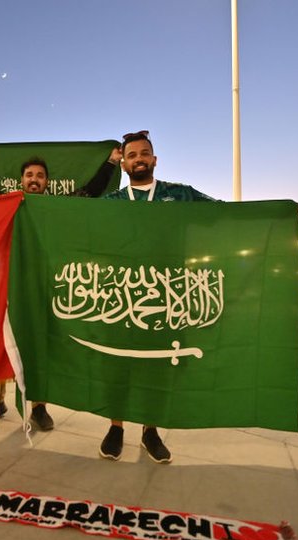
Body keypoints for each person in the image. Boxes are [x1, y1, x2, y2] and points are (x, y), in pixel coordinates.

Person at [0, 147, 123, 431]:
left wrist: (111, 162)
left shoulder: (57, 208)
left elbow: (90, 192)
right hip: (8, 284)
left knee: (39, 345)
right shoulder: (8, 203)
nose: (34, 179)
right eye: (29, 175)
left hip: (46, 287)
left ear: (47, 182)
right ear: (21, 180)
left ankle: (38, 407)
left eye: (39, 175)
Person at [99, 130, 217, 464]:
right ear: (123, 164)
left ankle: (150, 432)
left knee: (155, 366)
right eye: (132, 155)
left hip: (166, 298)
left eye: (144, 153)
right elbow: (79, 227)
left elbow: (223, 213)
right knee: (118, 364)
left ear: (155, 159)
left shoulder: (179, 195)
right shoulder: (111, 204)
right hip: (121, 298)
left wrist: (275, 213)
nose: (139, 159)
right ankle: (116, 428)